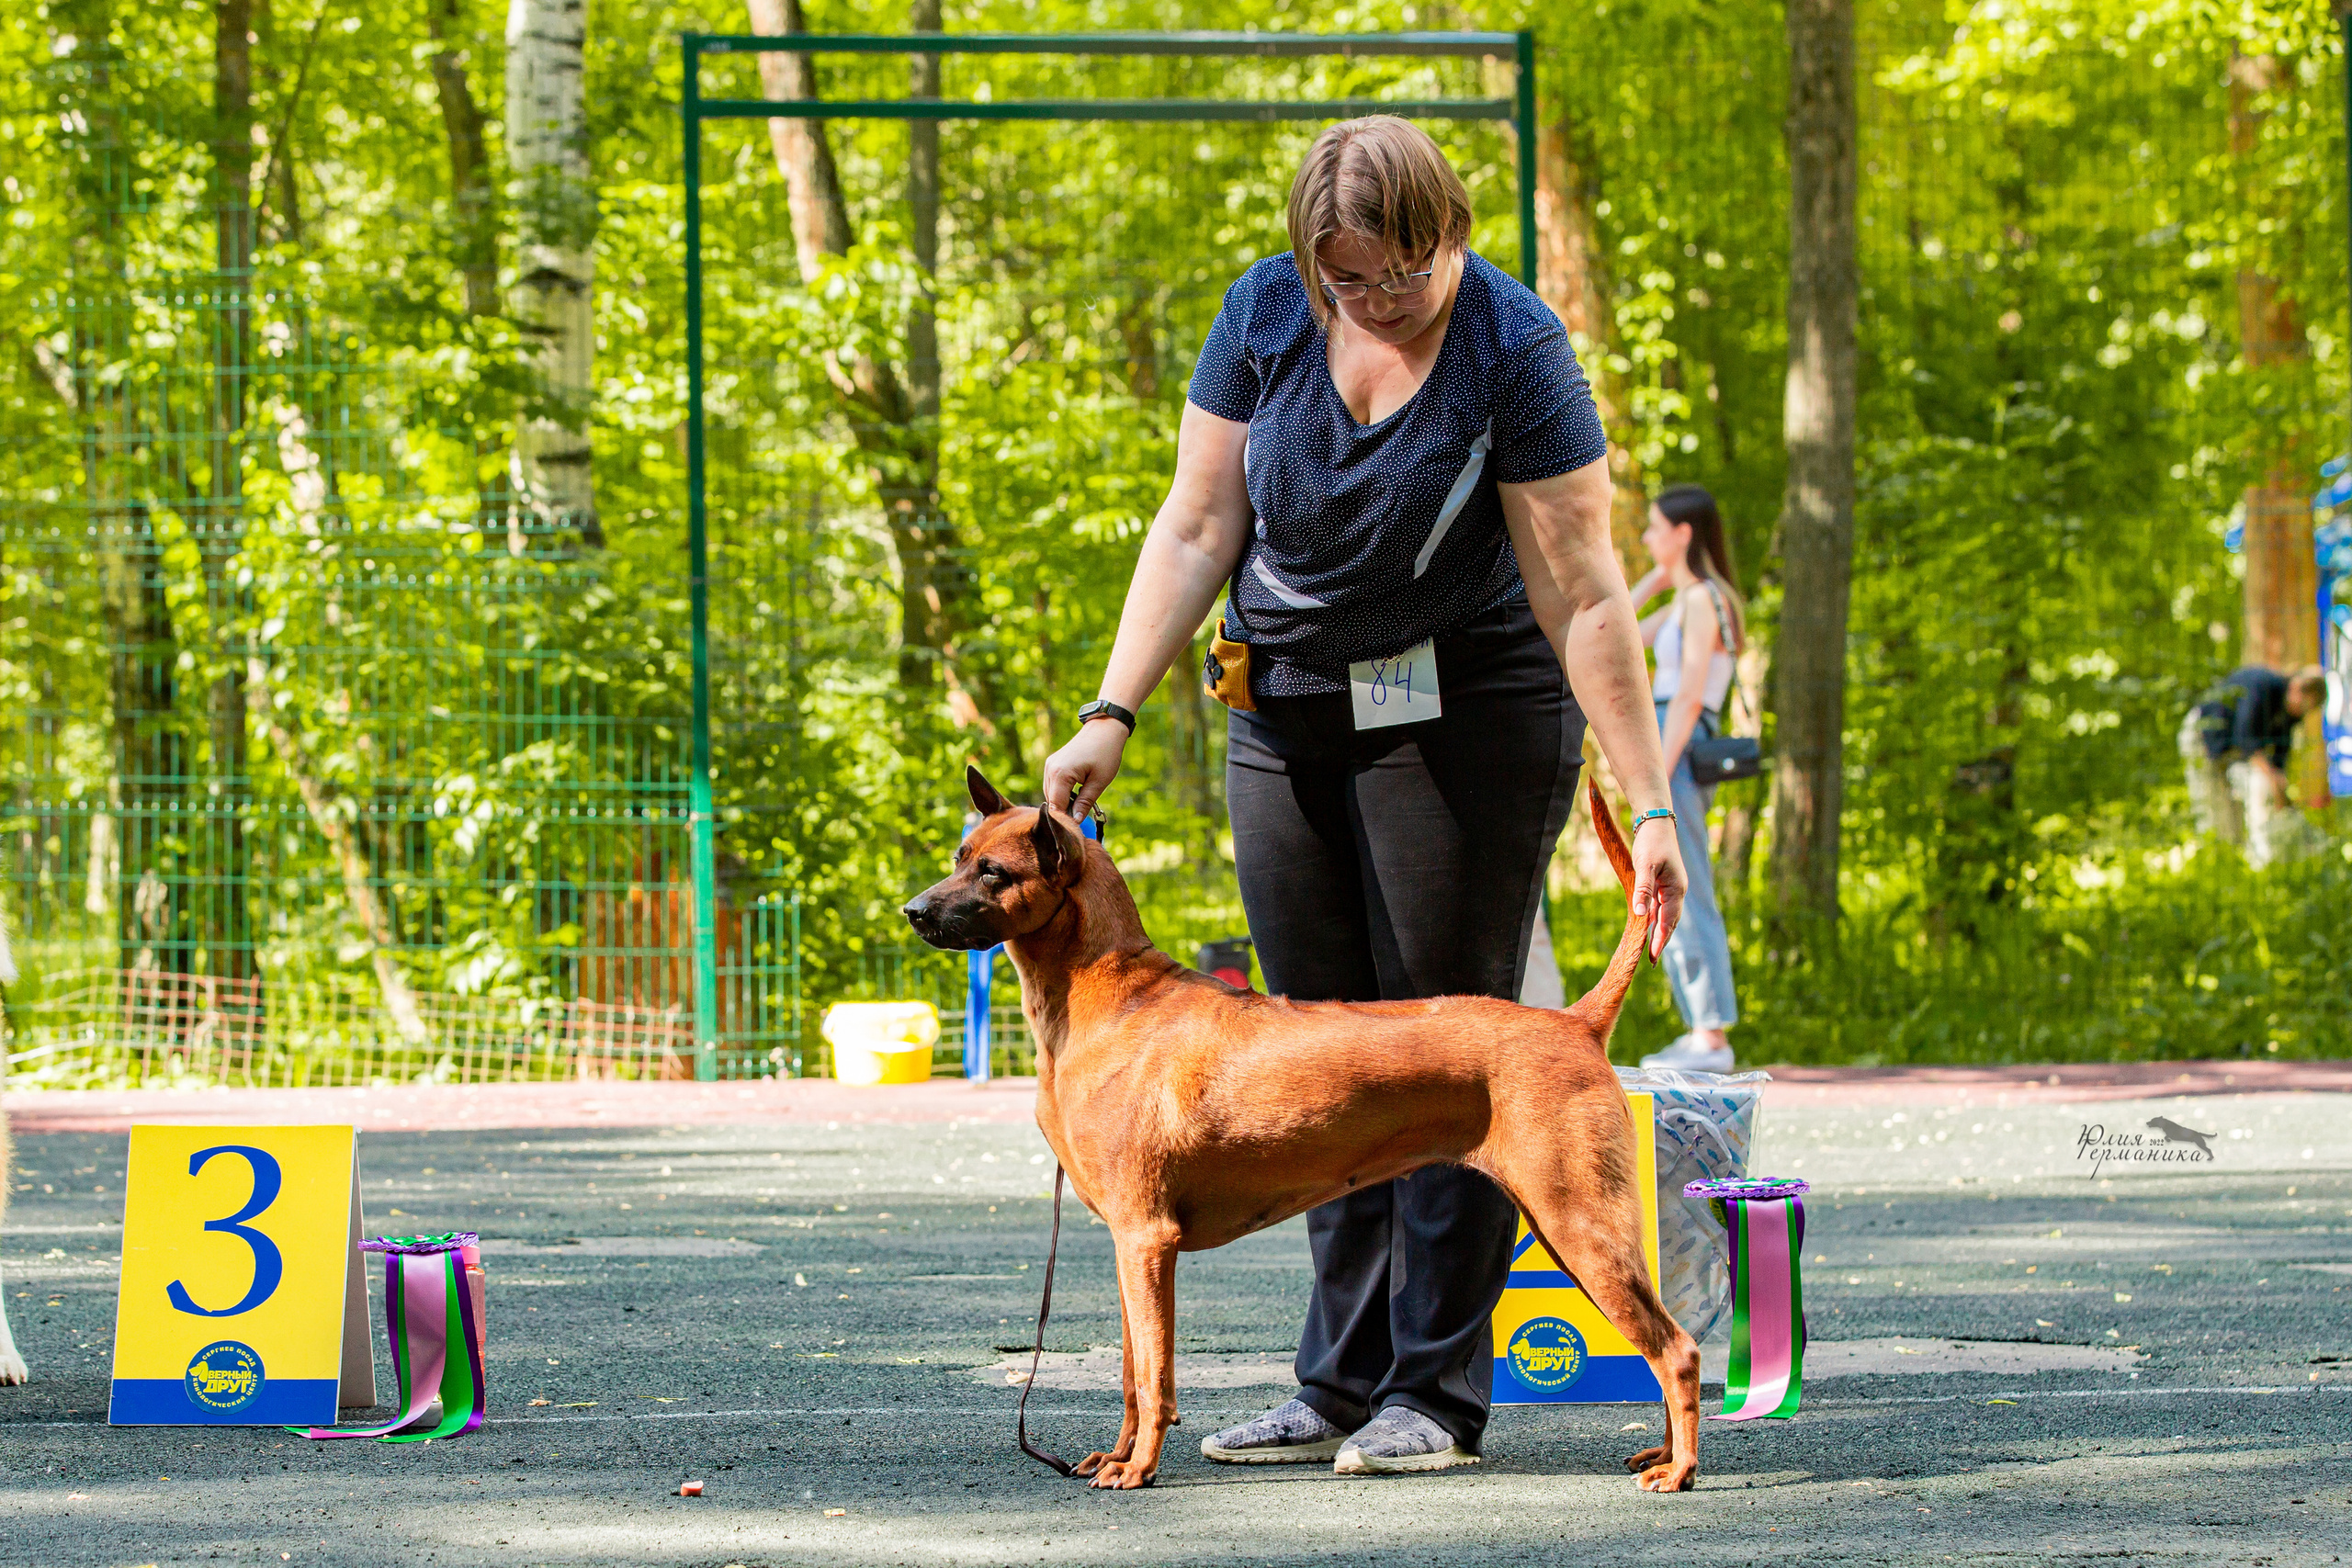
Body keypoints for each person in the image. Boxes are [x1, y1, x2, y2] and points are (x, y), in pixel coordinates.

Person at [1039, 118, 1685, 1478]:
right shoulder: (1266, 314)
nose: (1368, 301)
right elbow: (1200, 523)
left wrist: (1653, 798)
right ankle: (1333, 1380)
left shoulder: (1517, 348)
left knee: (1447, 1042)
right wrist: (1113, 705)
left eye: (1393, 274)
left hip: (1467, 707)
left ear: (1444, 234)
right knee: (1305, 1052)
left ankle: (1433, 1393)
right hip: (1287, 705)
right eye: (1343, 279)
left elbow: (1583, 586)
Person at [1629, 484, 1745, 1075]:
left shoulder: (1702, 601)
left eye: (1656, 529)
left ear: (1683, 533)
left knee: (1686, 879)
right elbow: (1618, 625)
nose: (1649, 538)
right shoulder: (1688, 600)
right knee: (1679, 877)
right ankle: (1701, 1026)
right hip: (1677, 740)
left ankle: (1709, 1031)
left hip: (1682, 739)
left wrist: (1658, 770)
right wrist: (1657, 572)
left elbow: (1691, 693)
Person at [2180, 663, 2326, 863]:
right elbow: (2245, 738)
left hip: (2233, 753)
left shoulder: (2290, 715)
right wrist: (2272, 779)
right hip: (2203, 737)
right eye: (2302, 705)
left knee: (2244, 809)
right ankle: (2217, 863)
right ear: (2296, 686)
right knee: (2212, 810)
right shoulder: (2263, 686)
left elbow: (2279, 759)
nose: (2300, 712)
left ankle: (2247, 865)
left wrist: (2279, 785)